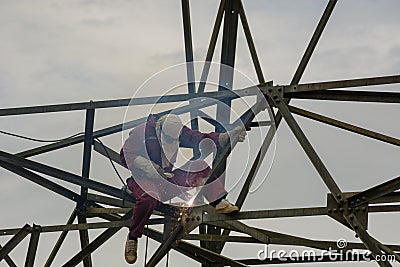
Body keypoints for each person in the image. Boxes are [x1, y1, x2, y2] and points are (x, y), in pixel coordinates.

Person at [120, 113, 246, 264]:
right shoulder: (142, 132)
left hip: (166, 180)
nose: (173, 142)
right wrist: (151, 168)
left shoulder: (177, 131)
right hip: (143, 181)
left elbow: (198, 138)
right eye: (169, 139)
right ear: (160, 130)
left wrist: (223, 138)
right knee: (149, 197)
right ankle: (133, 238)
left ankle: (218, 201)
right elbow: (125, 155)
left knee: (199, 167)